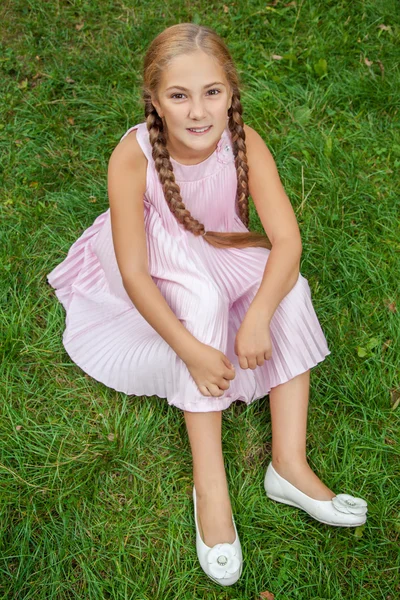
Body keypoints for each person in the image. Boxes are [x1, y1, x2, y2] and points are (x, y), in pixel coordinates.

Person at [46, 23, 368, 587]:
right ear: (155, 101)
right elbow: (133, 271)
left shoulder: (245, 139)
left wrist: (261, 315)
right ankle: (211, 488)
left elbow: (287, 243)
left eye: (212, 93)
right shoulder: (134, 156)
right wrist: (194, 350)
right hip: (149, 256)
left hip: (212, 246)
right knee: (201, 298)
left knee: (289, 283)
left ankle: (288, 464)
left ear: (231, 92)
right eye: (179, 96)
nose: (198, 112)